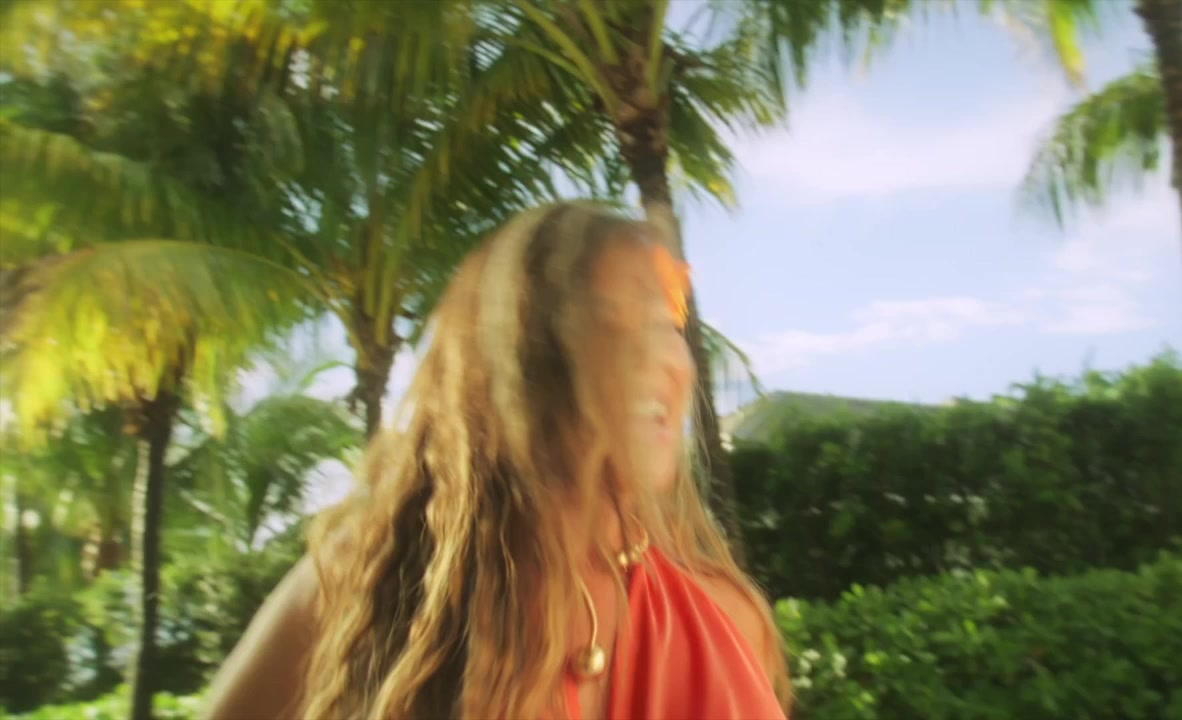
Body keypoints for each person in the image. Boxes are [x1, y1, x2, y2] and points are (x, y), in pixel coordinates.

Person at [202, 202, 791, 719]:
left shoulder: (729, 622)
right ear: (517, 366)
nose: (652, 355)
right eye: (605, 321)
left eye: (664, 323)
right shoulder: (366, 583)